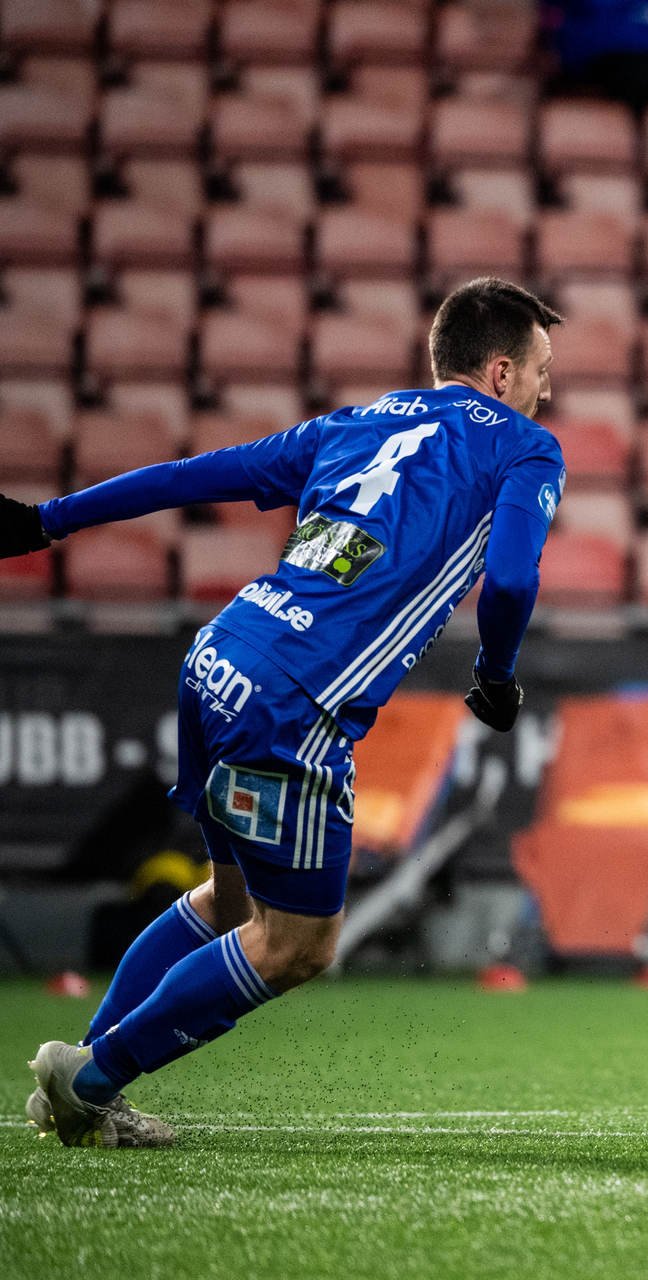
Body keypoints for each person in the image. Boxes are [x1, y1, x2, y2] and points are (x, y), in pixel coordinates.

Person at [2, 278, 569, 1147]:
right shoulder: (525, 448)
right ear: (500, 373)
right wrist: (495, 676)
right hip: (293, 702)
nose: (546, 390)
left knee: (231, 903)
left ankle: (83, 1076)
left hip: (219, 657)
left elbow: (192, 476)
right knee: (299, 944)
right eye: (539, 370)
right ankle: (94, 1078)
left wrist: (48, 519)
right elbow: (515, 579)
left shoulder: (352, 425)